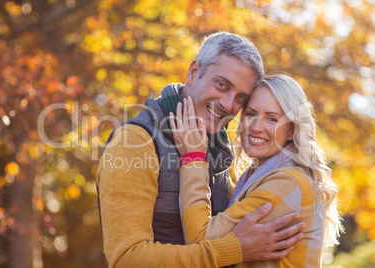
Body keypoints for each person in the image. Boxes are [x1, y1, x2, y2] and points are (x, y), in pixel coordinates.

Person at [96, 32, 306, 267]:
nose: (228, 104)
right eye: (221, 85)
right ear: (193, 73)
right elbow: (126, 259)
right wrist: (235, 249)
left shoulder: (215, 149)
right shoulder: (134, 142)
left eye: (240, 98)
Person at [170, 74, 343, 267]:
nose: (256, 127)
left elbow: (200, 239)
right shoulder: (264, 176)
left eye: (272, 118)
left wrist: (193, 159)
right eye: (251, 114)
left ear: (293, 130)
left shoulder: (287, 182)